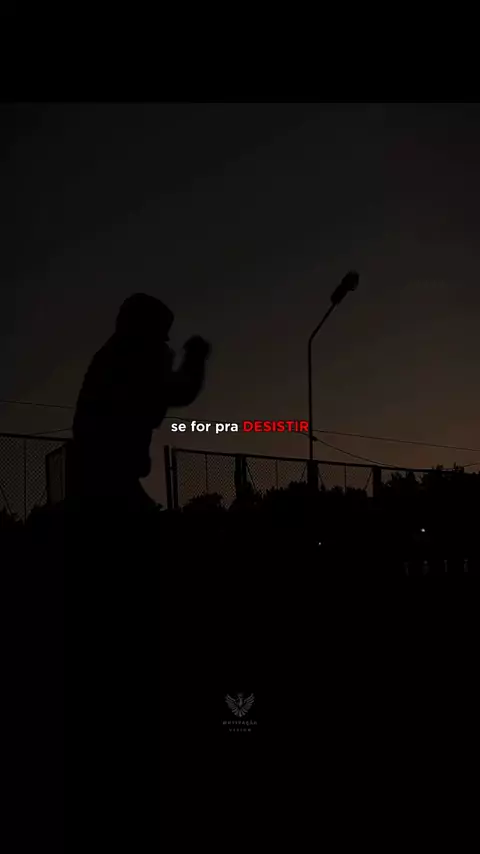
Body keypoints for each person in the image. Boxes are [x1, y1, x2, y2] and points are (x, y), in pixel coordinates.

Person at [71, 293, 210, 511]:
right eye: (160, 335)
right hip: (111, 476)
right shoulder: (136, 358)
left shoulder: (111, 356)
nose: (163, 343)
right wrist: (195, 358)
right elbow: (179, 391)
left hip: (96, 472)